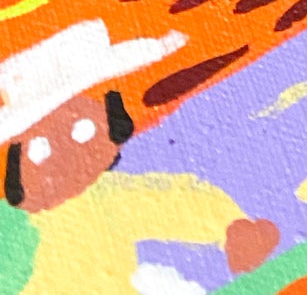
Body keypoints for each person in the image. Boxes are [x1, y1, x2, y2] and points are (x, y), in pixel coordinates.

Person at [0, 19, 278, 295]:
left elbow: (167, 202)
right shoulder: (26, 227)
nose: (64, 159)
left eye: (81, 131)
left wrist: (230, 225)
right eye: (41, 150)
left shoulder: (106, 199)